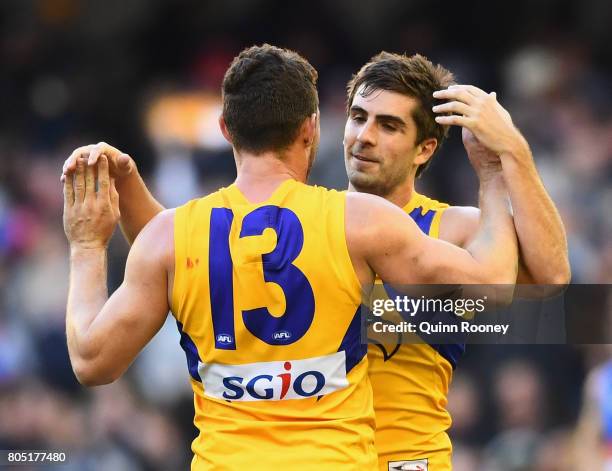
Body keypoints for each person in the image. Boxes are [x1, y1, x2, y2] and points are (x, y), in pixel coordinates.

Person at [62, 45, 518, 470]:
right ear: (310, 128)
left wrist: (87, 246)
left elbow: (91, 360)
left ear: (225, 128)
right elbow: (496, 282)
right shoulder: (359, 221)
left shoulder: (170, 235)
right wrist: (494, 173)